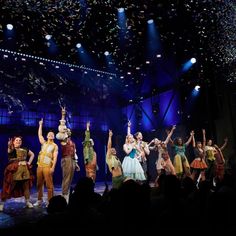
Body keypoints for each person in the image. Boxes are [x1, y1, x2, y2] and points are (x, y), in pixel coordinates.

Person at [0, 136, 34, 211]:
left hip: (25, 169)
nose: (18, 141)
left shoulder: (25, 148)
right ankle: (2, 203)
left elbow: (32, 154)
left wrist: (29, 162)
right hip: (15, 169)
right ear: (13, 142)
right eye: (16, 140)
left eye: (20, 140)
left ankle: (27, 202)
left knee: (26, 186)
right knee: (10, 186)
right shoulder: (12, 149)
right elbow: (9, 150)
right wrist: (9, 145)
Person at [56, 107, 80, 203]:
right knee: (66, 177)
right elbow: (61, 128)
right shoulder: (63, 139)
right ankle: (64, 194)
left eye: (69, 130)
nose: (68, 131)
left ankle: (66, 193)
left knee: (70, 178)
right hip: (66, 159)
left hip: (72, 159)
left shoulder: (72, 142)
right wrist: (63, 115)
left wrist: (76, 163)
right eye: (67, 130)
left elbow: (74, 153)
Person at [34, 118, 58, 207]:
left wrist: (53, 167)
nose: (51, 135)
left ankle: (50, 201)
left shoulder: (55, 146)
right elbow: (39, 135)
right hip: (40, 165)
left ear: (54, 137)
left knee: (49, 185)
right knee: (39, 184)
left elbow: (55, 157)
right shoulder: (43, 143)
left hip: (48, 166)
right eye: (49, 134)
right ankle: (39, 200)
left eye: (52, 134)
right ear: (47, 136)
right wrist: (40, 125)